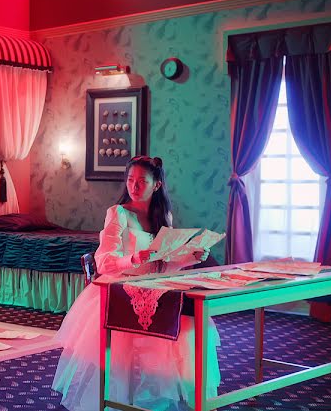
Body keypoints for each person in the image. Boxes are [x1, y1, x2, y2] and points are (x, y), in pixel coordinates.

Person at [51, 156, 221, 411]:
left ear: (157, 185)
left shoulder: (162, 216)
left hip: (153, 286)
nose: (134, 186)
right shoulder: (118, 214)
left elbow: (162, 264)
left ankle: (165, 397)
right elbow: (103, 262)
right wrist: (132, 258)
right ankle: (120, 400)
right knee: (134, 341)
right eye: (130, 180)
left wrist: (190, 258)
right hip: (121, 288)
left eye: (142, 181)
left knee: (189, 323)